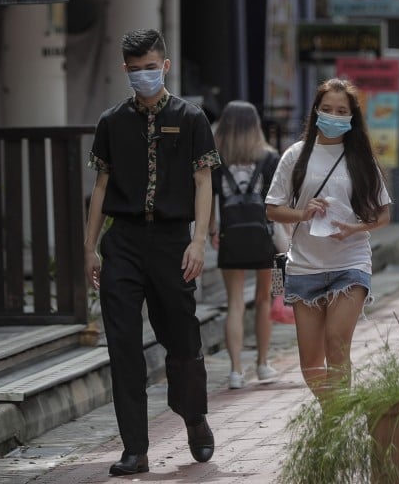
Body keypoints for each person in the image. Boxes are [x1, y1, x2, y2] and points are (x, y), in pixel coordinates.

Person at [83, 29, 220, 476]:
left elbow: (204, 182)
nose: (143, 75)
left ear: (165, 66)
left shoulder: (191, 117)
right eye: (134, 68)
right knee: (123, 345)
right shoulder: (111, 122)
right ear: (125, 69)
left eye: (150, 67)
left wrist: (199, 240)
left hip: (171, 241)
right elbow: (100, 187)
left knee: (182, 339)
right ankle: (135, 449)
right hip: (121, 242)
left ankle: (194, 416)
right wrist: (89, 248)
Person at [265, 78, 392, 401]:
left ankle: (337, 424)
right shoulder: (295, 156)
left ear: (351, 117)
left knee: (336, 342)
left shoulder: (362, 159)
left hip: (350, 262)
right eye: (327, 109)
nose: (333, 116)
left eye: (341, 111)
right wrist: (302, 214)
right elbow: (272, 209)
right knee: (310, 365)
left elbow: (382, 215)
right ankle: (335, 415)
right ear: (316, 111)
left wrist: (354, 229)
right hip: (304, 267)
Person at [208, 100, 281, 389]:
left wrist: (211, 228)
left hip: (231, 235)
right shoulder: (269, 158)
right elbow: (277, 200)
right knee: (264, 300)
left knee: (235, 303)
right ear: (255, 126)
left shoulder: (216, 160)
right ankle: (263, 365)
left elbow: (208, 198)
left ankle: (236, 371)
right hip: (263, 235)